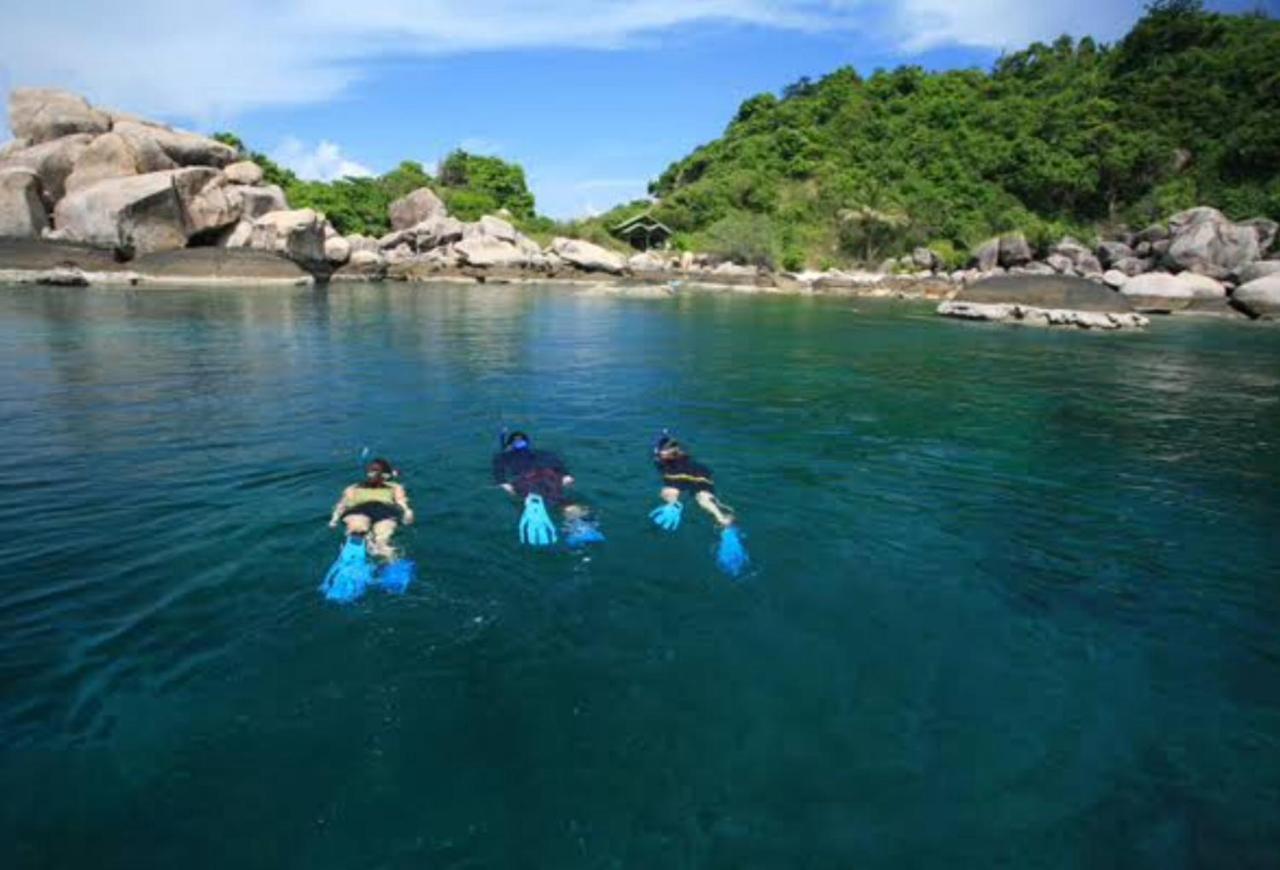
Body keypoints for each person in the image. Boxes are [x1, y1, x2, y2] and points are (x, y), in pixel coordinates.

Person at [493, 430, 601, 545]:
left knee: (532, 498)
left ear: (510, 445)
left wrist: (505, 485)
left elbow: (499, 474)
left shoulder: (502, 457)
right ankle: (581, 528)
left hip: (525, 479)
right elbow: (559, 467)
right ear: (528, 443)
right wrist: (566, 475)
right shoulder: (543, 453)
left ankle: (534, 509)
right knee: (561, 500)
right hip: (549, 475)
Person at [328, 458, 414, 559]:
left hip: (385, 511)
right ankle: (356, 549)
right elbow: (342, 504)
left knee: (383, 536)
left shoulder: (394, 487)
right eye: (370, 471)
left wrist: (407, 513)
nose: (371, 474)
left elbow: (401, 501)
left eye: (375, 471)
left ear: (384, 475)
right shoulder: (353, 488)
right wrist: (334, 519)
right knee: (357, 527)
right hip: (359, 510)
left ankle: (387, 558)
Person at [650, 434, 734, 529]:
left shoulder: (660, 458)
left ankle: (673, 505)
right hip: (698, 474)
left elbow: (662, 459)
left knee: (670, 490)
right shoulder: (680, 453)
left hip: (684, 475)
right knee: (703, 497)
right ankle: (722, 519)